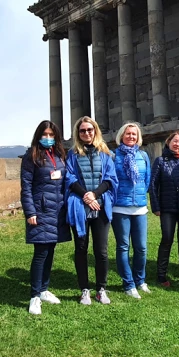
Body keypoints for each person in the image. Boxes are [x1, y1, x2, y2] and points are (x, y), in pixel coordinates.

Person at [65, 116, 118, 306]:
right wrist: (86, 196)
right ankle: (84, 289)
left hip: (101, 205)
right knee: (81, 249)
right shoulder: (72, 154)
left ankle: (101, 289)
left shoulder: (105, 154)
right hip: (79, 206)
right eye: (82, 130)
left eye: (89, 130)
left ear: (95, 131)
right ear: (77, 134)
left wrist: (94, 195)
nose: (86, 133)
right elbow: (69, 178)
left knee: (101, 251)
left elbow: (110, 179)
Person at [21, 120, 71, 315]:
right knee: (41, 253)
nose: (48, 138)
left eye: (51, 135)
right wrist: (30, 212)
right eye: (45, 135)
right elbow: (26, 187)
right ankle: (34, 296)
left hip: (57, 210)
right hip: (41, 210)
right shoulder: (31, 156)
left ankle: (44, 289)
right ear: (38, 136)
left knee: (50, 251)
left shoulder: (59, 155)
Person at [112, 122, 152, 299]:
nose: (131, 137)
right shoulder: (114, 156)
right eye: (127, 134)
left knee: (141, 248)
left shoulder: (143, 155)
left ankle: (140, 280)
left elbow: (147, 179)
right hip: (120, 207)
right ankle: (128, 283)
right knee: (123, 247)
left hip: (140, 207)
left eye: (134, 134)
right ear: (121, 136)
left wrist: (141, 196)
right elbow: (110, 180)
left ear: (138, 137)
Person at [149, 131, 179, 286]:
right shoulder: (160, 161)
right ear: (168, 143)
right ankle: (161, 274)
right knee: (167, 239)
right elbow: (153, 185)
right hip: (167, 208)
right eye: (175, 141)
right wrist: (156, 206)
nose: (177, 144)